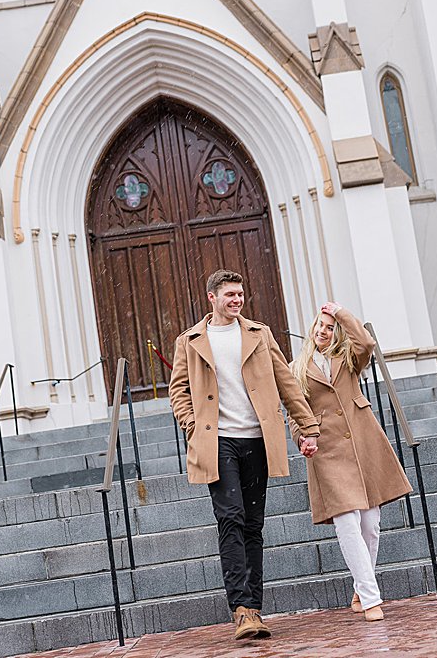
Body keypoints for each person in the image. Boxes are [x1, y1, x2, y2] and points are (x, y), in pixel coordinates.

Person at [168, 269, 320, 640]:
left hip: (257, 440)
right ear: (212, 298)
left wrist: (308, 427)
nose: (237, 300)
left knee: (253, 524)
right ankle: (241, 610)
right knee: (231, 518)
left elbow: (286, 380)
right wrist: (193, 425)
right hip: (217, 441)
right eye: (230, 295)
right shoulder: (189, 341)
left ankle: (254, 608)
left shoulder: (258, 333)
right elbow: (178, 391)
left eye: (240, 294)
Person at [289, 300, 412, 621]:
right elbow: (293, 411)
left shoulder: (348, 358)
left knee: (371, 525)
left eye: (330, 328)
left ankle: (361, 586)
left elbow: (366, 342)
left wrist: (340, 312)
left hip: (363, 442)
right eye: (320, 325)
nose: (323, 331)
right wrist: (302, 438)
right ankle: (372, 599)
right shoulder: (296, 368)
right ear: (312, 327)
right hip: (326, 449)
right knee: (347, 522)